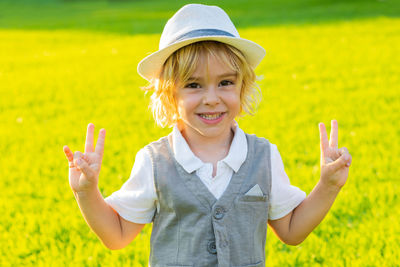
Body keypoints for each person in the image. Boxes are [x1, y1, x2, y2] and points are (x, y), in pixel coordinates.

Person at [63, 4, 352, 267]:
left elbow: (291, 231)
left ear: (243, 87)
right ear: (168, 95)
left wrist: (328, 185)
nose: (212, 98)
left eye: (225, 82)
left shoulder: (263, 156)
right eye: (194, 85)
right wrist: (86, 192)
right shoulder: (155, 162)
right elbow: (117, 236)